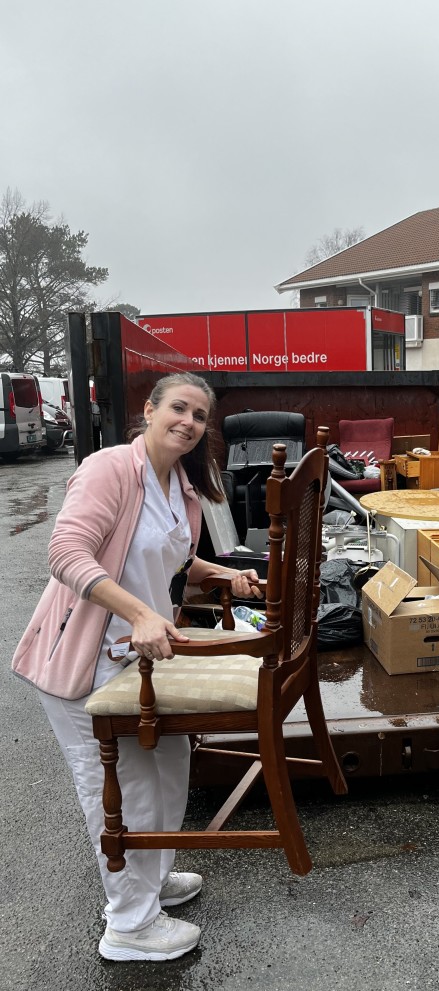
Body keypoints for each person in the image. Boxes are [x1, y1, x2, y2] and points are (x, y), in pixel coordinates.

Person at [12, 373, 264, 960]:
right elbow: (65, 553)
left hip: (141, 661)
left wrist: (222, 574)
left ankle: (151, 879)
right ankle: (129, 925)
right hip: (88, 660)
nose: (189, 422)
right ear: (149, 411)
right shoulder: (109, 469)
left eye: (200, 416)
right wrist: (140, 614)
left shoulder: (182, 485)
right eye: (178, 408)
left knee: (169, 763)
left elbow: (173, 556)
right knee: (118, 790)